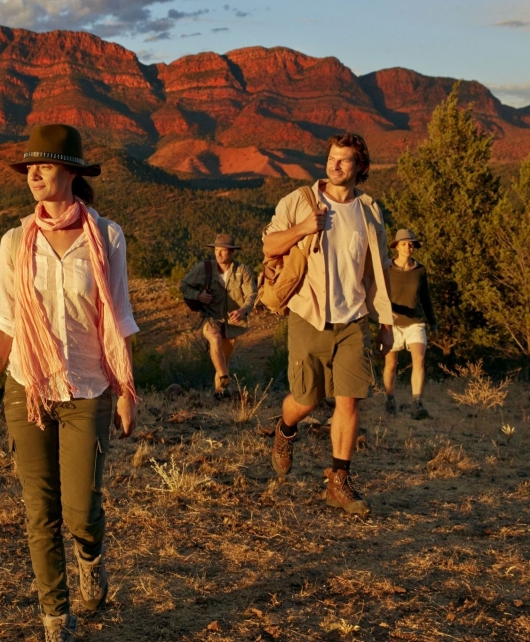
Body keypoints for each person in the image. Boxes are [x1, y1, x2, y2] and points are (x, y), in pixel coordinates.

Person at [0, 124, 139, 642]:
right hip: (28, 385)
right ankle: (55, 622)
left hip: (88, 385)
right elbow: (4, 324)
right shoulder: (14, 242)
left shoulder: (107, 236)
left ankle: (91, 556)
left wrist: (125, 388)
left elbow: (118, 318)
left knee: (80, 509)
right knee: (39, 513)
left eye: (44, 167)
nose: (34, 176)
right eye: (28, 169)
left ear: (72, 173)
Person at [262, 133, 394, 516]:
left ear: (360, 167)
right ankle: (285, 428)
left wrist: (385, 322)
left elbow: (378, 272)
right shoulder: (300, 201)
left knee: (350, 399)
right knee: (307, 399)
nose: (335, 165)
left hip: (354, 319)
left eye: (344, 160)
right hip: (309, 314)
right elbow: (269, 247)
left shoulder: (369, 211)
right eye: (331, 158)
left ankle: (339, 482)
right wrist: (303, 228)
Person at [180, 234, 256, 397]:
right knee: (214, 338)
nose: (218, 254)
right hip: (209, 317)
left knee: (224, 360)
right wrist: (198, 295)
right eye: (216, 250)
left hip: (233, 323)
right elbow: (184, 286)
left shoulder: (242, 271)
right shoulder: (204, 268)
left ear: (232, 252)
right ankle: (224, 378)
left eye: (223, 251)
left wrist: (243, 310)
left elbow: (252, 295)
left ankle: (219, 394)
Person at [383, 229, 437, 419]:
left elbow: (426, 297)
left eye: (411, 243)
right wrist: (385, 312)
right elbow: (376, 294)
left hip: (415, 321)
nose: (408, 247)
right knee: (391, 364)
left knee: (419, 359)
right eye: (404, 243)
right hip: (392, 324)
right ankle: (390, 398)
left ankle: (416, 403)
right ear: (396, 246)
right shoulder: (386, 268)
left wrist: (433, 322)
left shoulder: (420, 270)